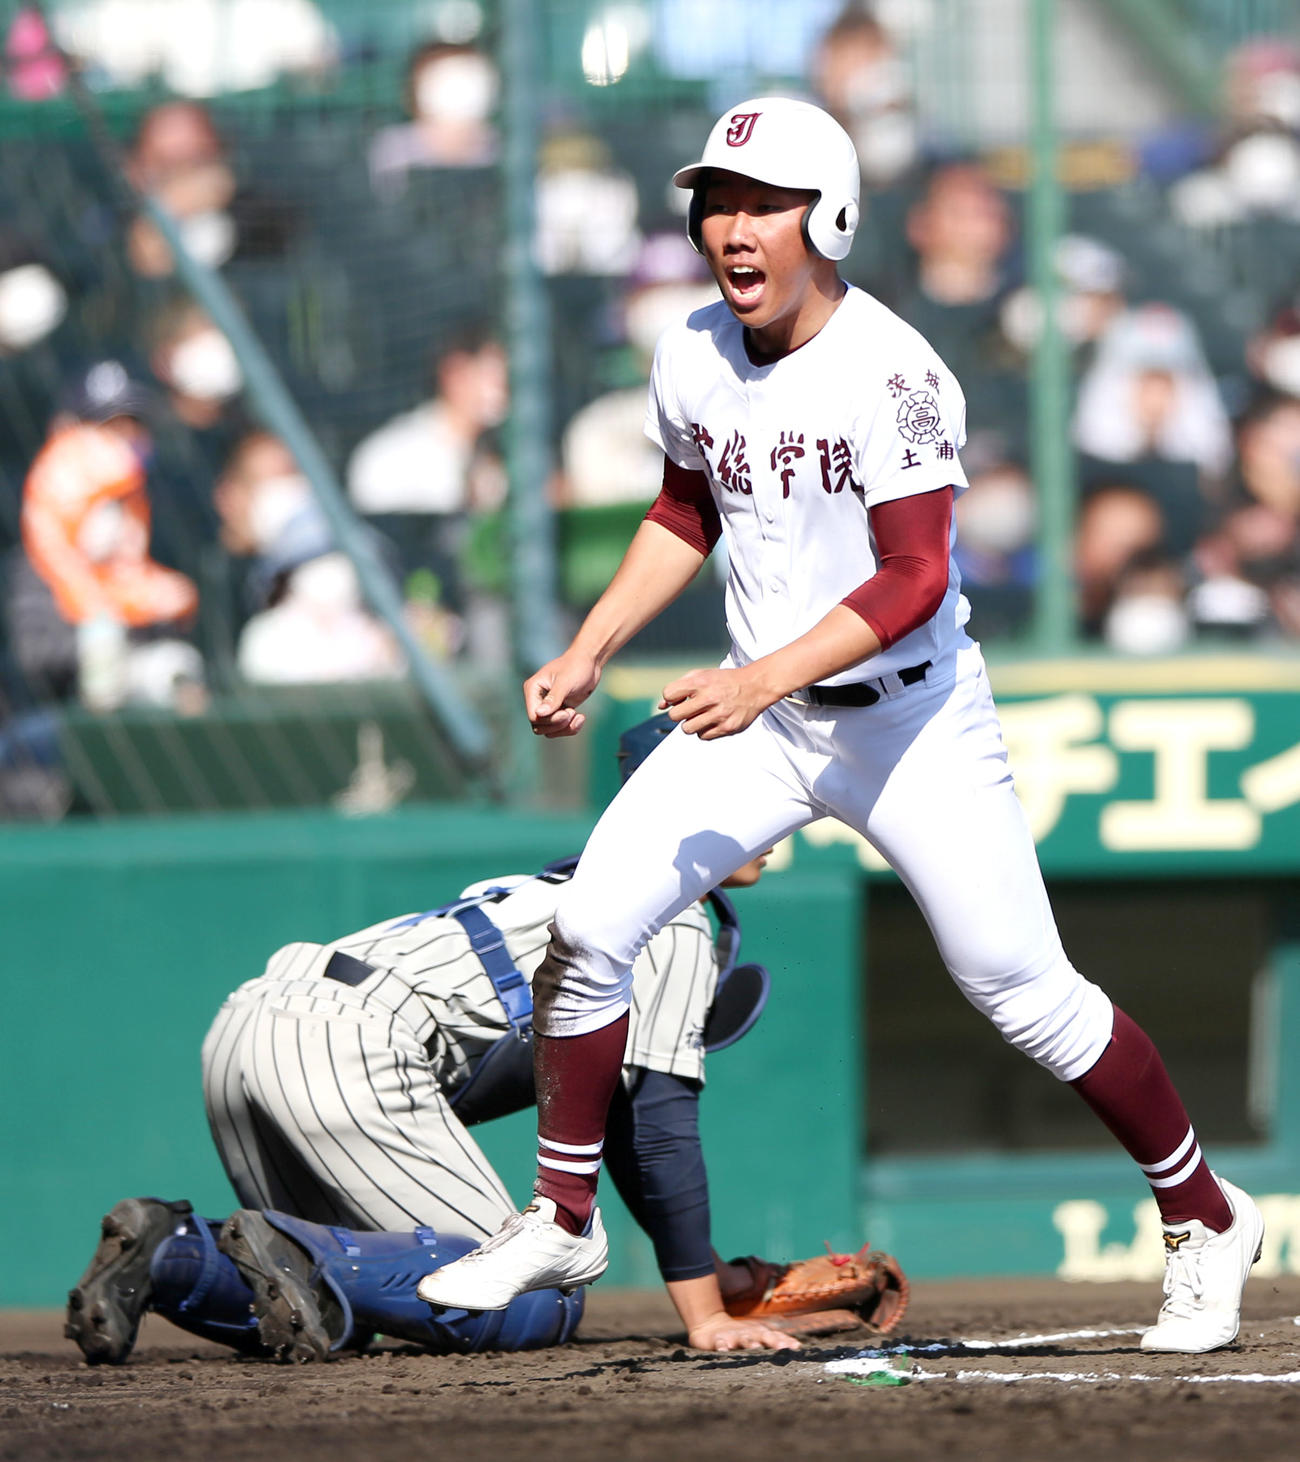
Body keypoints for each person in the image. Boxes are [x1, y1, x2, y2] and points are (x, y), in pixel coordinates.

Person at [418, 97, 1266, 1357]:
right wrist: (588, 646)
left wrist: (761, 677)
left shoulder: (897, 369)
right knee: (590, 928)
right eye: (716, 200)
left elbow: (915, 576)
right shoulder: (689, 351)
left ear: (833, 218)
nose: (731, 226)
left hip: (908, 721)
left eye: (763, 202)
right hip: (763, 715)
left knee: (1024, 994)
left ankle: (1203, 1215)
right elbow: (682, 513)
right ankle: (560, 1210)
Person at [64, 715, 907, 1366]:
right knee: (531, 1294)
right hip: (355, 1045)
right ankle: (270, 1250)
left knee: (341, 1306)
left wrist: (712, 1273)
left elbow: (615, 1119)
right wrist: (707, 1315)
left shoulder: (573, 880)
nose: (777, 816)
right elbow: (656, 1123)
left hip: (252, 1024)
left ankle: (173, 1254)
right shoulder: (672, 909)